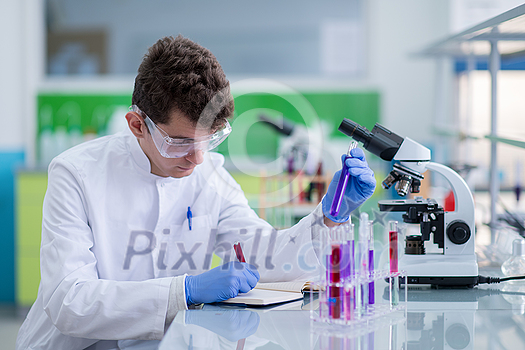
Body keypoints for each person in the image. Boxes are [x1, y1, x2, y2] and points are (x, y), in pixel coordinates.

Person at [16, 35, 375, 349]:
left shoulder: (211, 177)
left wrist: (328, 218)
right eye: (180, 142)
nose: (199, 157)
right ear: (138, 124)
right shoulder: (76, 173)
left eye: (211, 140)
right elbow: (70, 302)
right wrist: (182, 291)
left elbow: (265, 258)